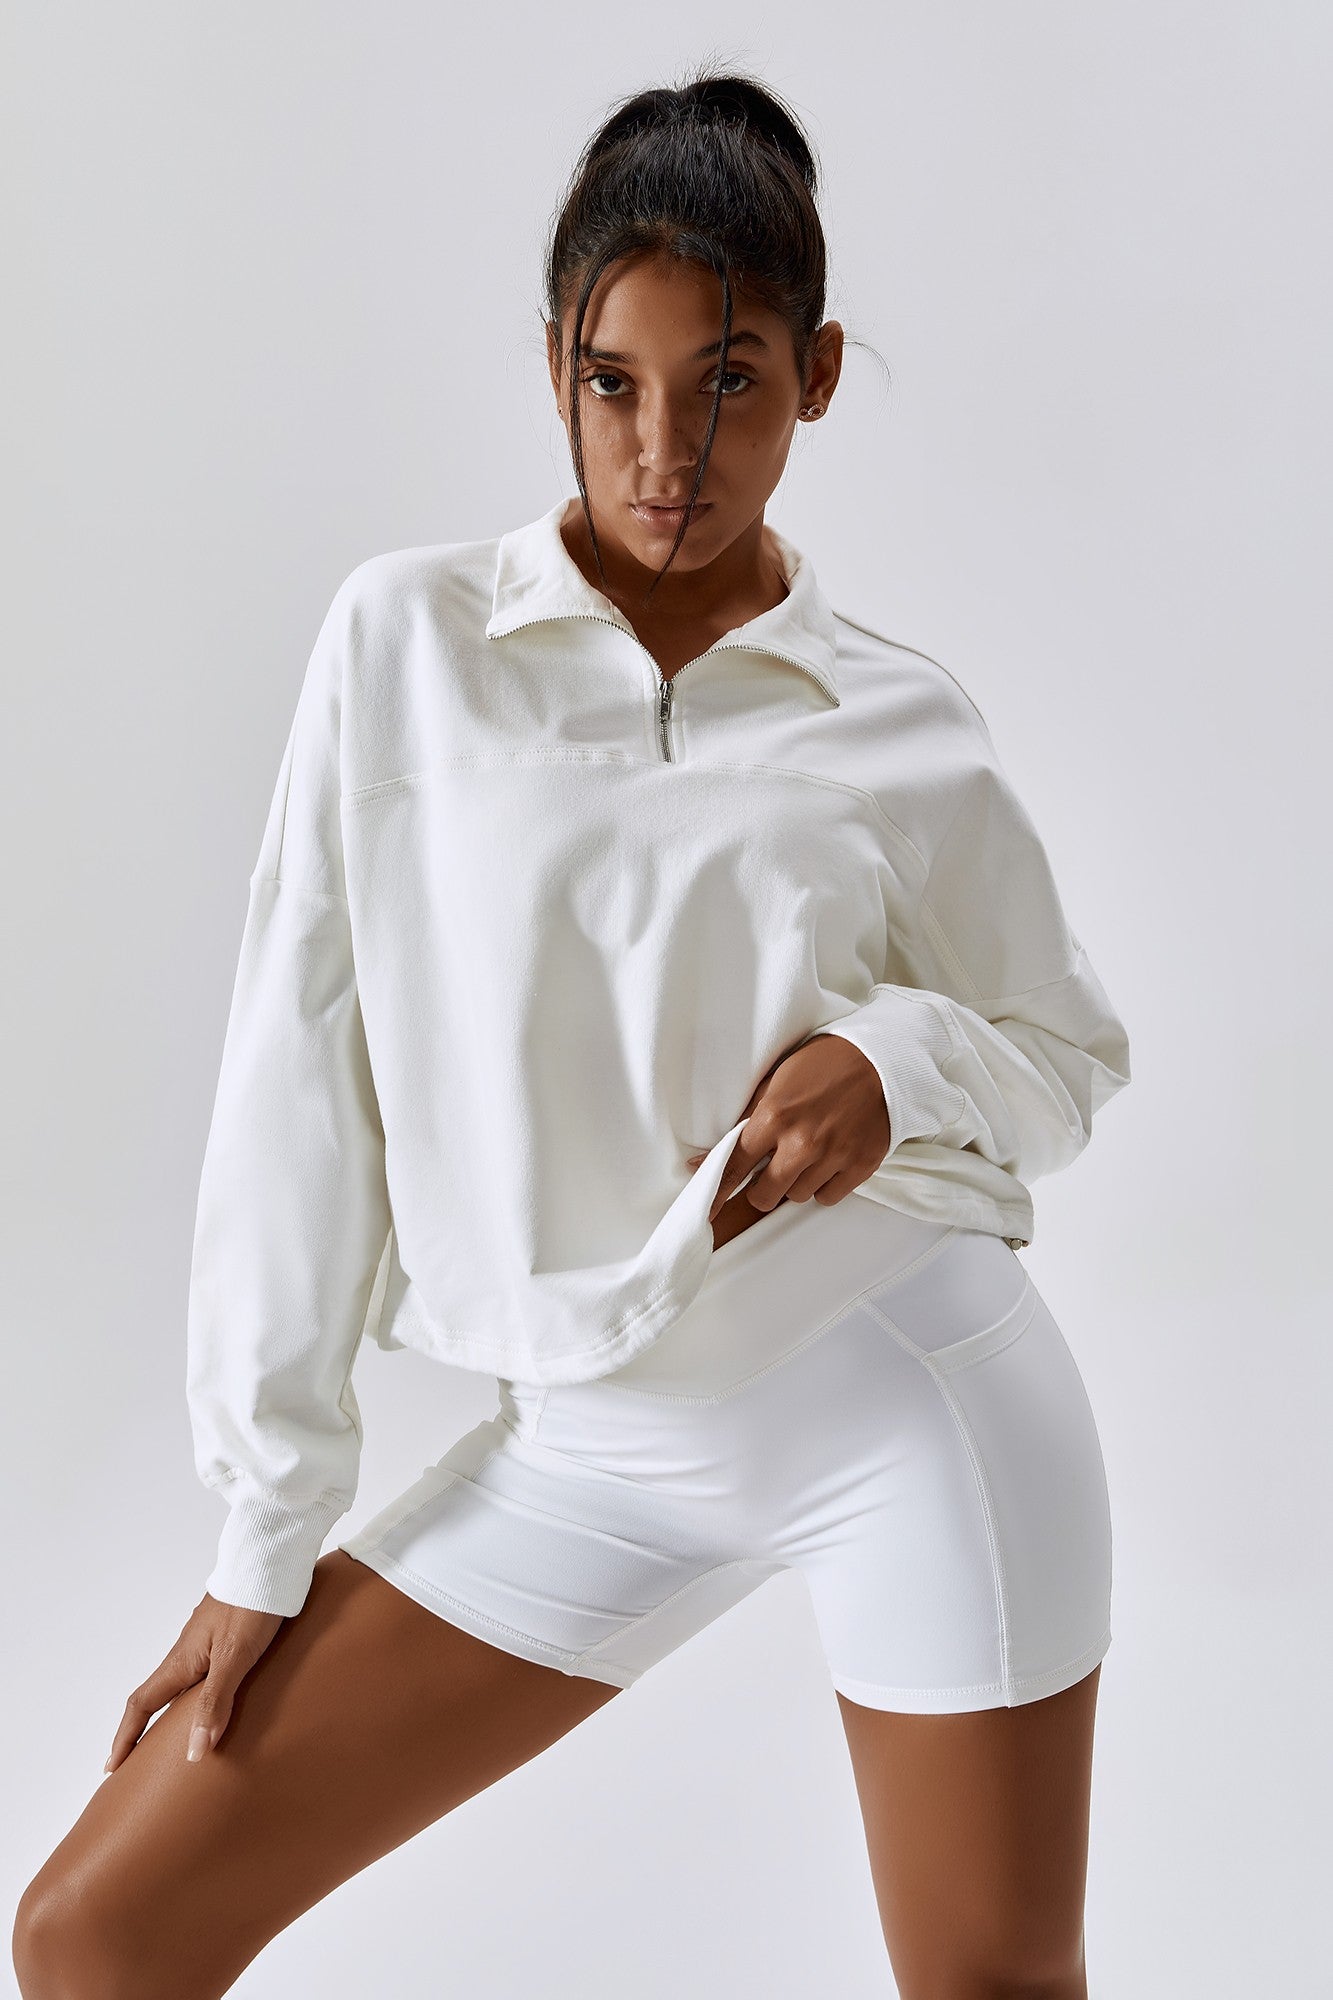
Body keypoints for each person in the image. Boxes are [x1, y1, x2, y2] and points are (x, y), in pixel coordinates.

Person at [13, 65, 1131, 2000]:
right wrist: (266, 1536)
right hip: (586, 1448)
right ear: (554, 368)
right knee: (98, 1936)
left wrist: (897, 1066)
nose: (666, 451)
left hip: (905, 1405)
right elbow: (298, 1075)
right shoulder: (405, 647)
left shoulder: (895, 721)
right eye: (616, 382)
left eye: (730, 382)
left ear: (818, 377)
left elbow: (1064, 1049)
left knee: (989, 1990)